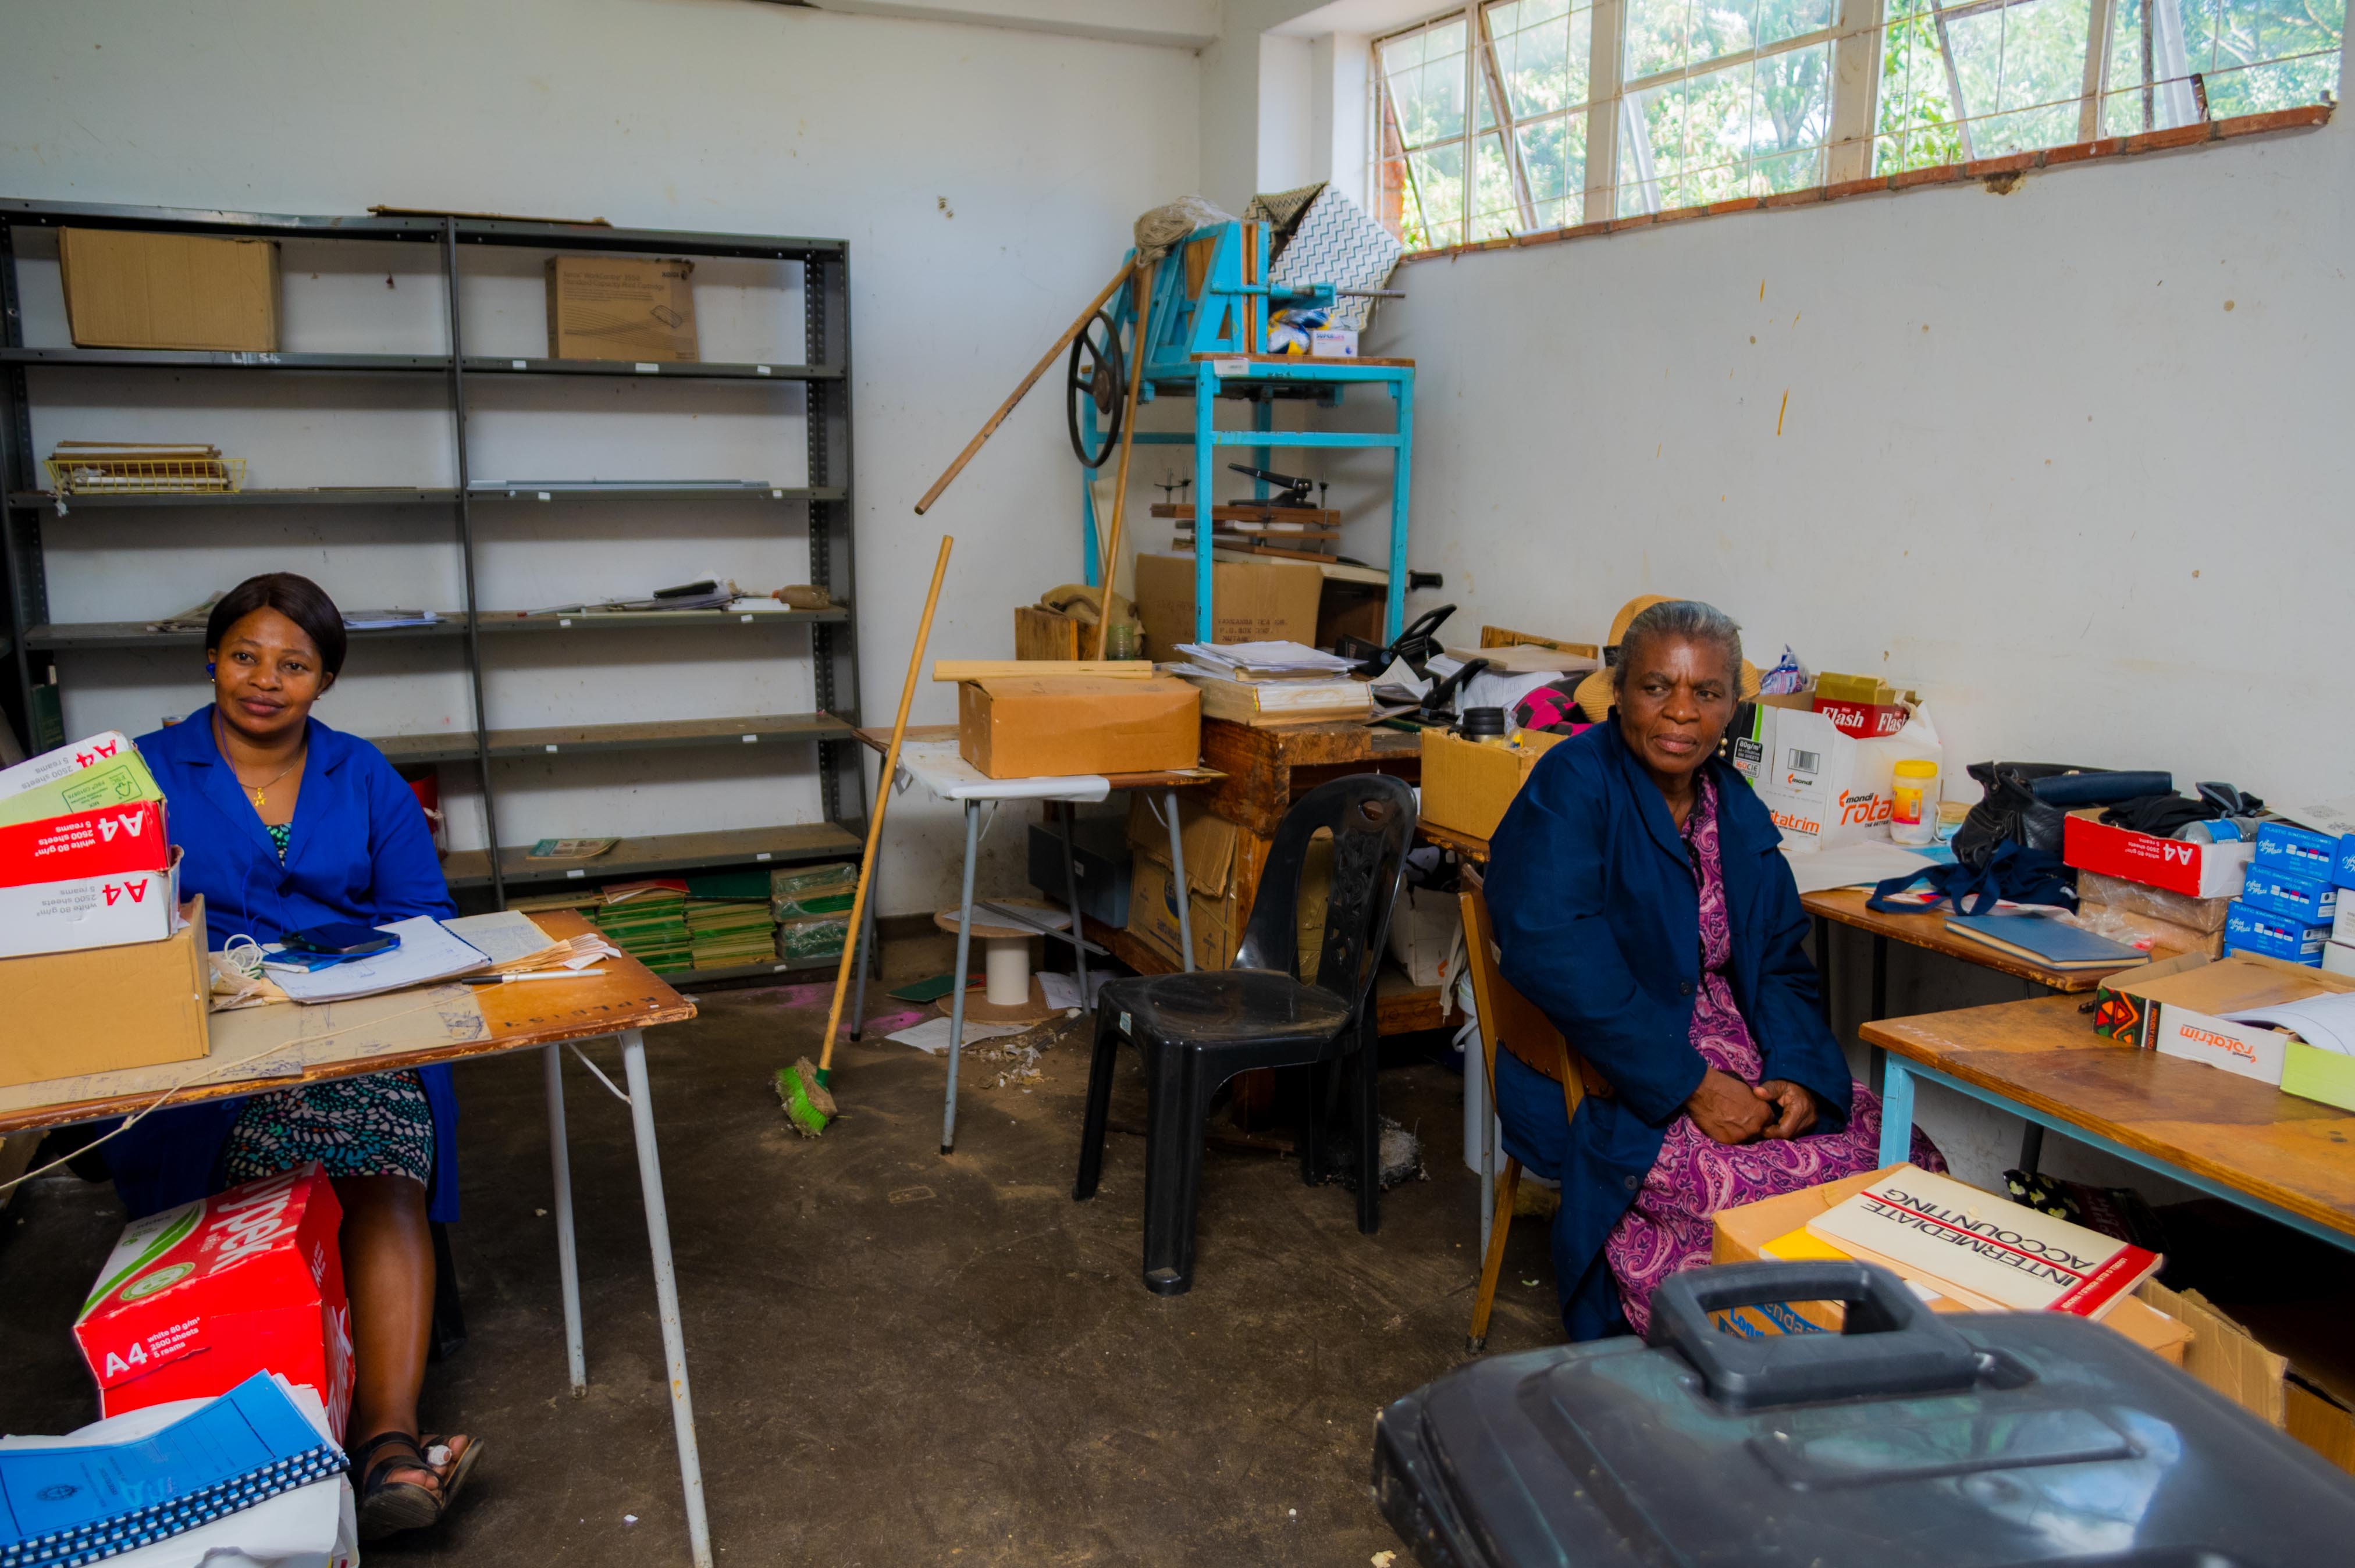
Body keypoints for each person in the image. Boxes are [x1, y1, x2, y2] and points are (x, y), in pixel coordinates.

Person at [105, 573, 479, 1538]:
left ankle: (388, 1442)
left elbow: (423, 913)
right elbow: (105, 927)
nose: (265, 681)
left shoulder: (362, 773)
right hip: (214, 1039)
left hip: (352, 1025)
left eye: (294, 665)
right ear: (212, 659)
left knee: (383, 1156)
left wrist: (350, 974)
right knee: (260, 1176)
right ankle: (272, 1455)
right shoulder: (141, 773)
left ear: (325, 681)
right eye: (245, 656)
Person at [1483, 598, 1942, 1340]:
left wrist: (1796, 1074)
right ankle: (1752, 1351)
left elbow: (1781, 959)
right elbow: (1553, 950)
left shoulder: (1733, 805)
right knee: (1743, 1187)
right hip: (1607, 1070)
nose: (1680, 712)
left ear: (1732, 707)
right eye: (1655, 686)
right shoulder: (1572, 783)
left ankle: (1852, 1348)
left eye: (1706, 692)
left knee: (1902, 1159)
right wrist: (1692, 1085)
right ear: (1619, 692)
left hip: (1740, 1057)